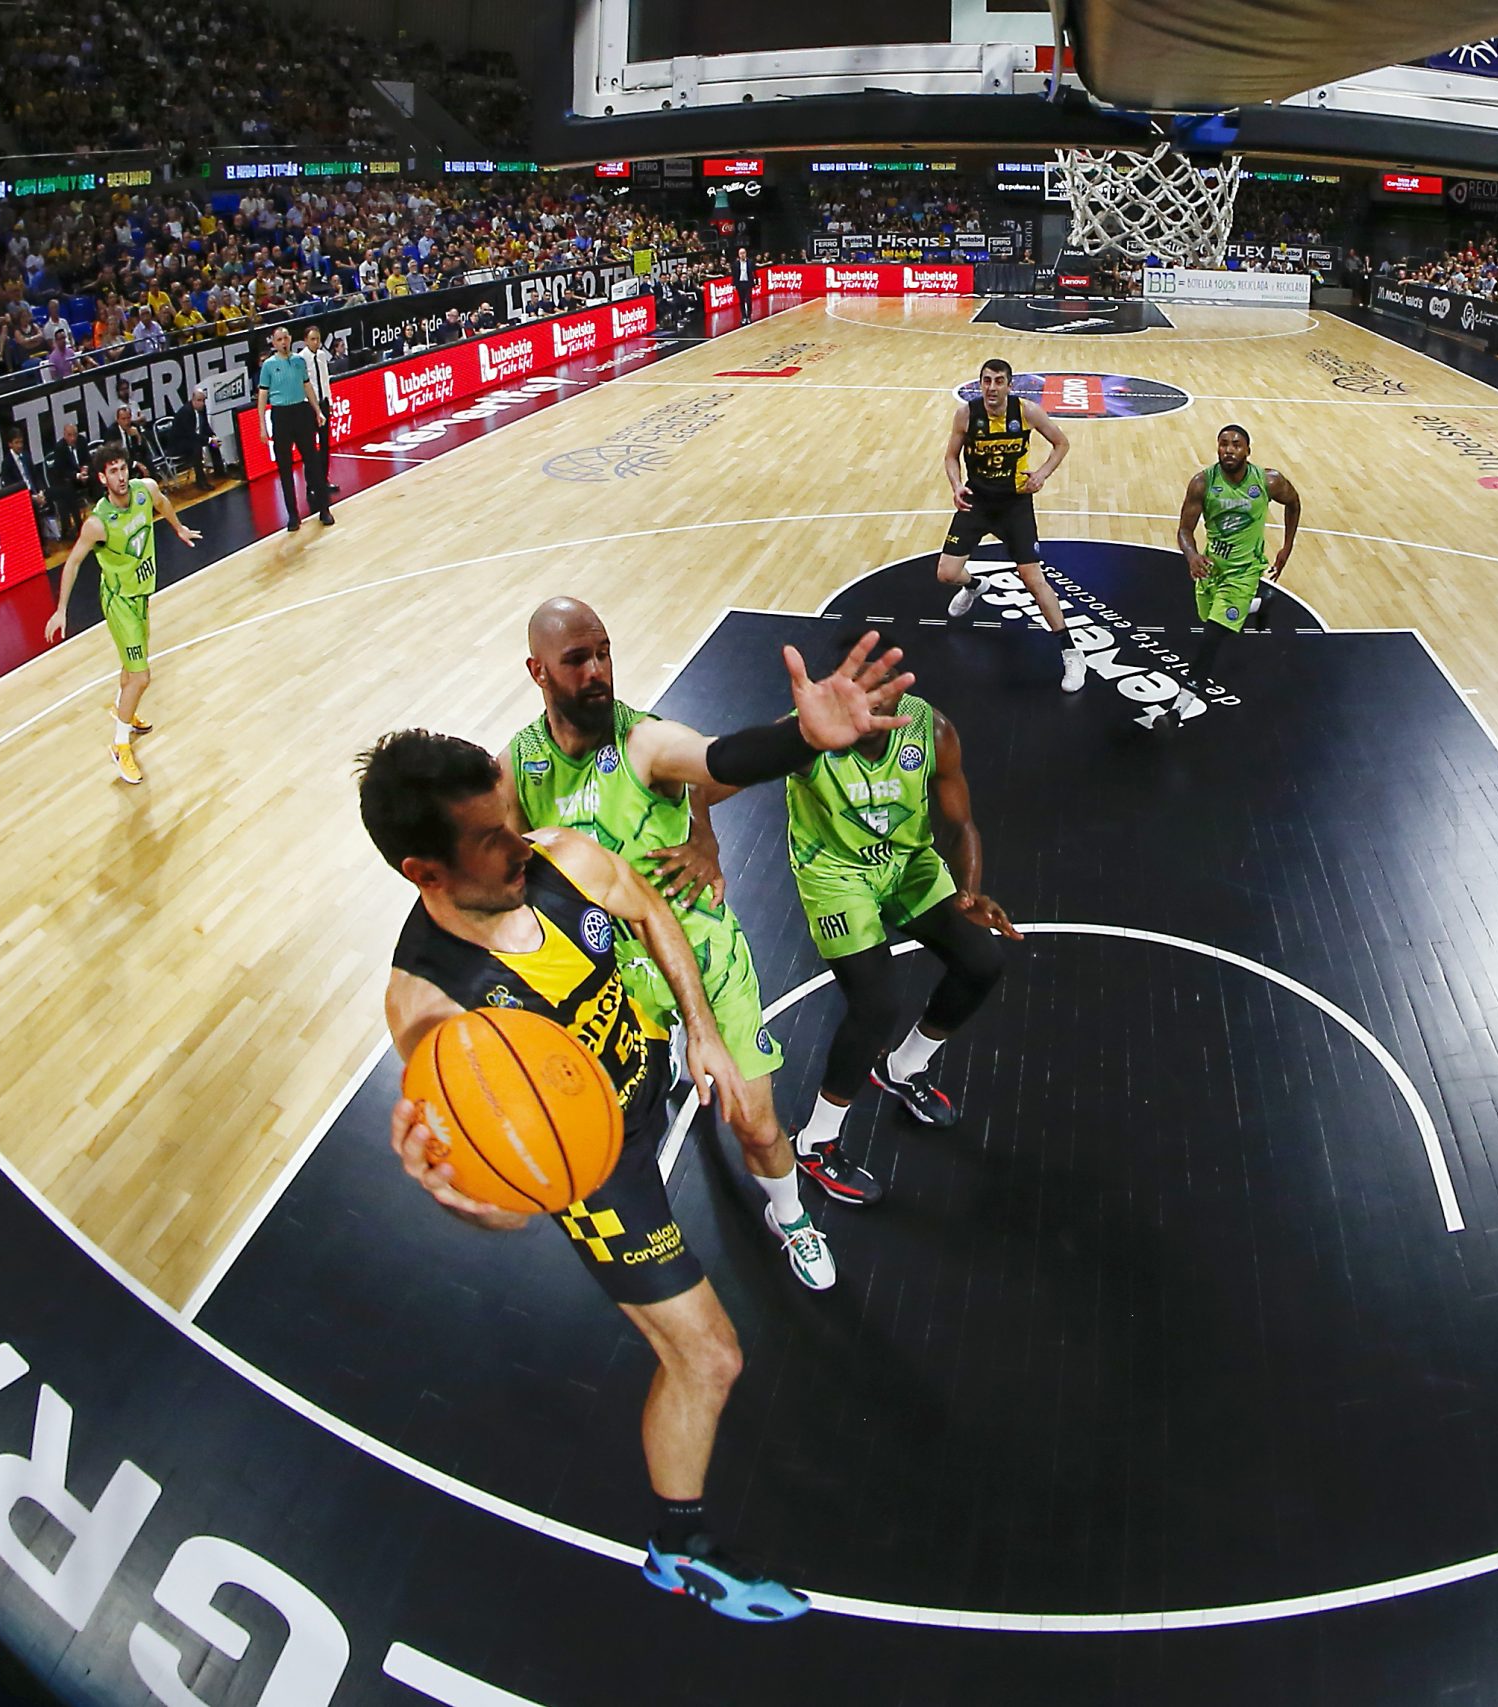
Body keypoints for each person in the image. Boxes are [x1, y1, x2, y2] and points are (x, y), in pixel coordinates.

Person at [372, 632, 917, 1622]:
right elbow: (518, 1203)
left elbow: (651, 913)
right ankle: (678, 1547)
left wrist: (698, 1029)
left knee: (756, 1121)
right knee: (710, 1357)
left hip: (648, 1070)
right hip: (597, 1171)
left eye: (509, 818)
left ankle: (770, 1186)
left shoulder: (559, 856)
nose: (519, 840)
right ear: (425, 871)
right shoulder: (431, 1012)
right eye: (491, 839)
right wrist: (465, 1199)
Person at [499, 598, 845, 1288]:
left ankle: (790, 1215)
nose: (598, 670)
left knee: (756, 1123)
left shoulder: (644, 741)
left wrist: (800, 739)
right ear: (538, 671)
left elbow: (715, 758)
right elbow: (506, 878)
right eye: (577, 659)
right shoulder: (519, 766)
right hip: (611, 980)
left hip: (701, 952)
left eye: (604, 652)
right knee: (626, 1134)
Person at [788, 668, 1018, 1163]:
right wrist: (703, 841)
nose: (872, 708)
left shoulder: (932, 730)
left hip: (906, 862)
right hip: (835, 873)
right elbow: (716, 774)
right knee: (876, 1005)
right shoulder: (805, 732)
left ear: (902, 695)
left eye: (886, 694)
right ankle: (814, 1143)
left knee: (982, 962)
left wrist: (970, 891)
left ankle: (903, 1067)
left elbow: (961, 823)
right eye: (861, 694)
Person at [44, 445, 201, 785]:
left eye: (123, 468)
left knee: (131, 667)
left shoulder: (145, 490)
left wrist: (178, 528)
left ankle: (122, 707)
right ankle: (119, 744)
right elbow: (72, 563)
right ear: (102, 478)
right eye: (113, 471)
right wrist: (61, 609)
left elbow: (163, 502)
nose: (120, 476)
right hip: (119, 602)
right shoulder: (98, 523)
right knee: (141, 677)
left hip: (141, 595)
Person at [935, 359, 1080, 691]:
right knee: (946, 573)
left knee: (1033, 579)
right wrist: (956, 485)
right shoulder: (966, 415)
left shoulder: (1026, 411)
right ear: (980, 384)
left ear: (1009, 385)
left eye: (999, 381)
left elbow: (1061, 443)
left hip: (1015, 504)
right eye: (986, 380)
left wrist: (1042, 474)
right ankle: (975, 586)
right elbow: (950, 456)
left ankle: (1071, 652)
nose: (992, 387)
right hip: (978, 502)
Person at [1164, 424, 1302, 724]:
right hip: (1213, 568)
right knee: (1210, 617)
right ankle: (1262, 603)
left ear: (1248, 450)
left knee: (1211, 637)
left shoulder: (1268, 481)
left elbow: (1293, 503)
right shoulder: (1202, 483)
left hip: (1245, 572)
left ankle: (1177, 709)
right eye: (1223, 444)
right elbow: (1184, 530)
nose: (1229, 449)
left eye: (1236, 444)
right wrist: (1191, 556)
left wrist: (1287, 546)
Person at [257, 325, 332, 532]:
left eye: (285, 338)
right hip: (281, 415)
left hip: (301, 412)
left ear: (290, 339)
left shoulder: (299, 361)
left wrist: (317, 410)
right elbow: (263, 395)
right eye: (279, 339)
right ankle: (292, 515)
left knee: (313, 461)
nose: (283, 342)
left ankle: (324, 509)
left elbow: (307, 386)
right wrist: (262, 425)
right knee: (285, 468)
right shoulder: (269, 366)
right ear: (274, 343)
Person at [296, 327, 336, 505]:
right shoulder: (300, 359)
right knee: (310, 448)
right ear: (305, 340)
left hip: (323, 402)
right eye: (312, 339)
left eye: (318, 339)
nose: (316, 342)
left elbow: (325, 380)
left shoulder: (321, 356)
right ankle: (311, 485)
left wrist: (329, 401)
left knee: (325, 444)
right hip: (308, 406)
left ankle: (324, 480)